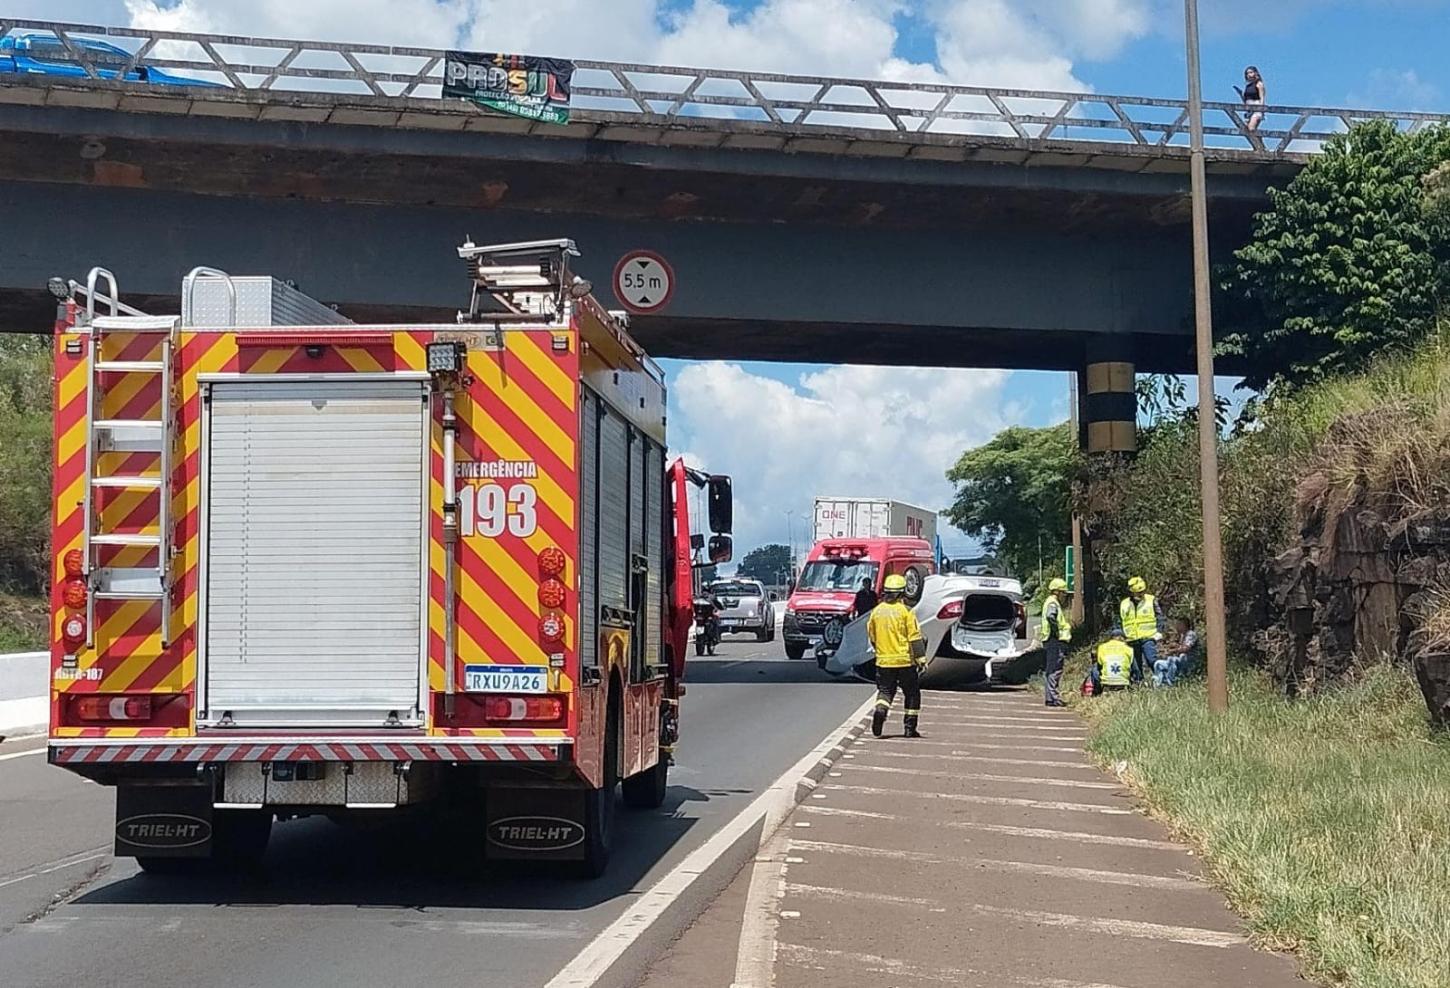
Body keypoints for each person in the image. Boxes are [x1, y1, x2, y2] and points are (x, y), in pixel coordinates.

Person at [867, 574, 926, 738]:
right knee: (912, 693)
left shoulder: (876, 612)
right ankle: (909, 728)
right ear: (902, 593)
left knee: (885, 692)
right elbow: (914, 637)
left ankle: (881, 710)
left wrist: (880, 651)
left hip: (884, 662)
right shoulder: (905, 612)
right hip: (904, 661)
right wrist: (921, 659)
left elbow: (872, 637)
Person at [1119, 577, 1164, 685]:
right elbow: (1121, 620)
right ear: (1132, 592)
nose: (1141, 594)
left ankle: (1161, 679)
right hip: (1131, 638)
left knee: (1151, 659)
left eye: (1142, 592)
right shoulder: (1124, 604)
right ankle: (1138, 684)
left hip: (1148, 637)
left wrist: (1159, 631)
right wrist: (1122, 635)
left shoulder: (1151, 600)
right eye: (1138, 592)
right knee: (1135, 665)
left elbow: (1160, 617)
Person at [1041, 577, 1072, 708]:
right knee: (1055, 669)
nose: (1065, 595)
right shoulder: (1053, 603)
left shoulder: (1051, 602)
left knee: (1051, 669)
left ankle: (1050, 697)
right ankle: (1054, 697)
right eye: (1064, 593)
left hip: (1051, 640)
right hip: (1055, 640)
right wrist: (1056, 632)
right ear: (1057, 592)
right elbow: (1050, 616)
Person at [1154, 617, 1203, 685]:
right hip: (1181, 660)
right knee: (1158, 664)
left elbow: (1185, 649)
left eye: (1179, 624)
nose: (1177, 626)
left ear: (1184, 625)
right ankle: (1159, 683)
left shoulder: (1191, 634)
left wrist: (1173, 651)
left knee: (1172, 659)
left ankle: (1171, 681)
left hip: (1190, 661)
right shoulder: (1182, 635)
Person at [1090, 629, 1134, 695]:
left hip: (1107, 682)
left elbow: (1100, 665)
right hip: (1123, 682)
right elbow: (1135, 669)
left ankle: (1097, 691)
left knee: (1095, 668)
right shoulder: (1128, 649)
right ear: (1122, 637)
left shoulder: (1102, 647)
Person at [1237, 65, 1266, 133]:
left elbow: (1262, 98)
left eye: (1251, 72)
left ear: (1255, 73)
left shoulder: (1259, 84)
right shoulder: (1248, 86)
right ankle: (1259, 142)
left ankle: (1259, 141)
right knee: (1247, 130)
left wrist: (1261, 110)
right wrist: (1241, 94)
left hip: (1256, 108)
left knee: (1251, 129)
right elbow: (1245, 100)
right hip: (1249, 110)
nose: (1249, 75)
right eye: (1247, 73)